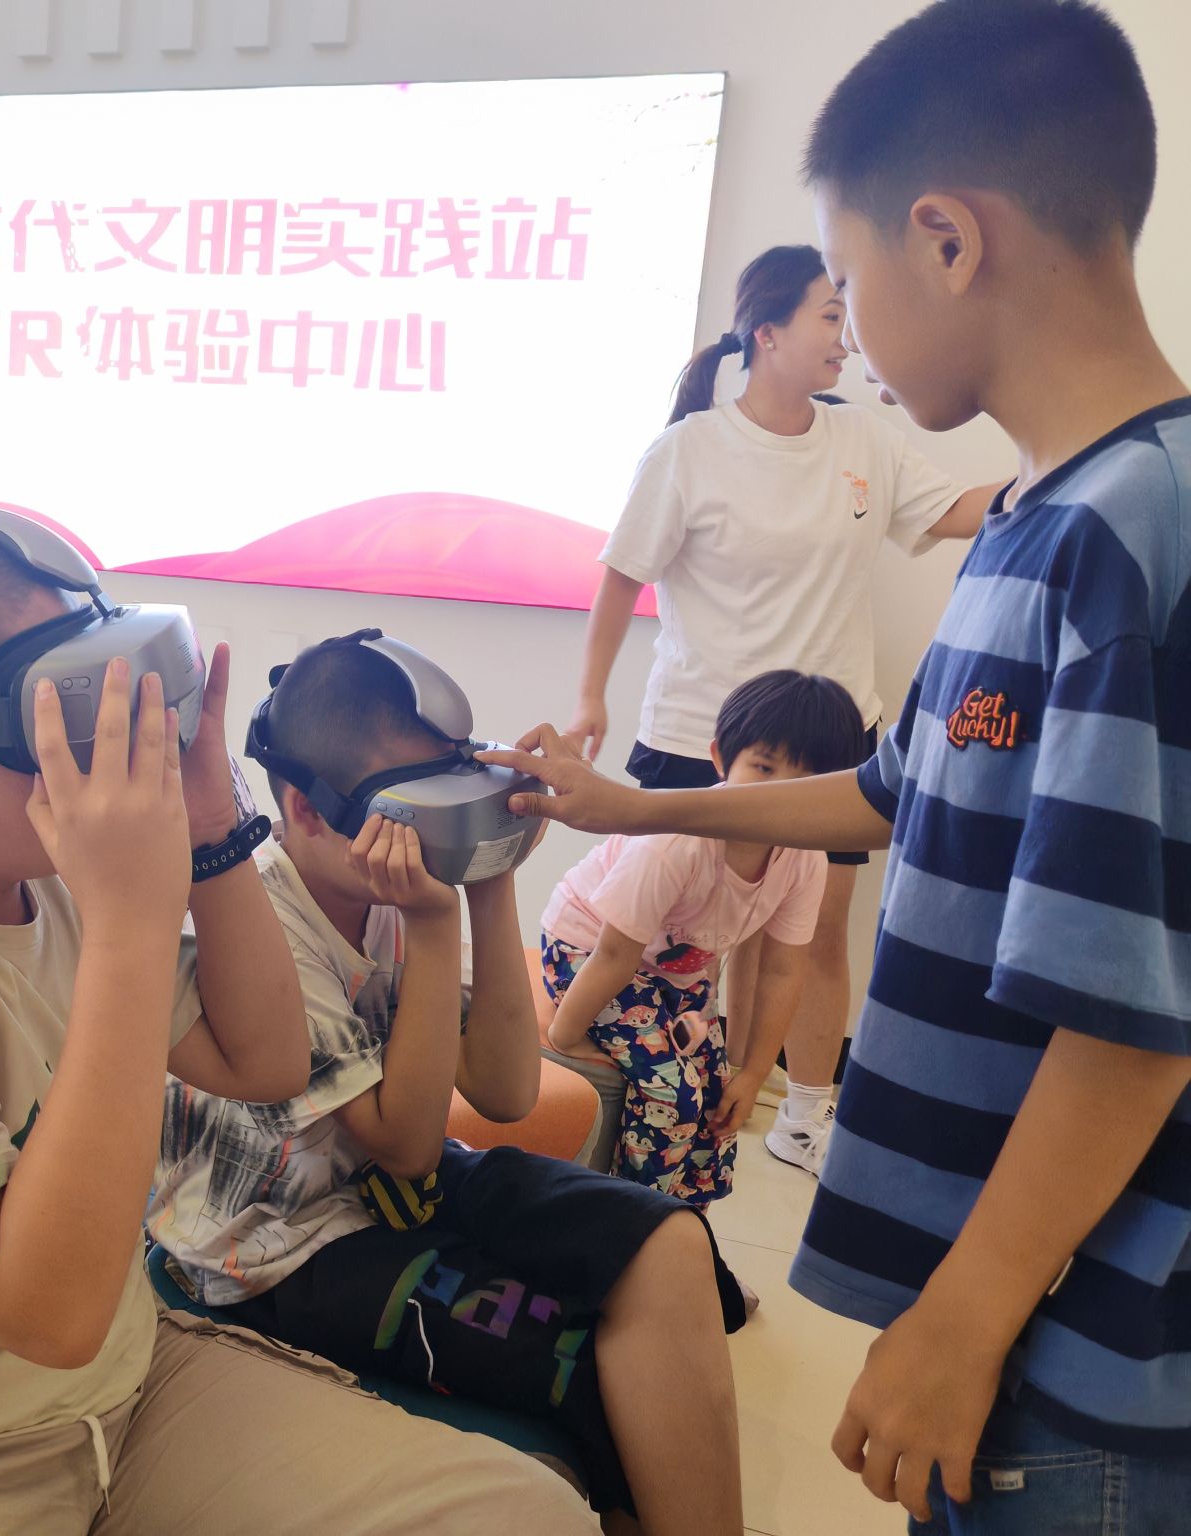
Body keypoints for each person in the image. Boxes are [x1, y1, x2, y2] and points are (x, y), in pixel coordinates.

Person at [492, 4, 1190, 1525]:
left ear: (946, 238)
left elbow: (1134, 1014)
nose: (849, 332)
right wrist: (632, 803)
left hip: (1084, 1347)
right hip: (1012, 1309)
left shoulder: (1138, 535)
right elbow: (891, 793)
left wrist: (966, 1320)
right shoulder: (1034, 518)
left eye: (846, 278)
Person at [0, 511, 597, 1534]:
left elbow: (264, 1062)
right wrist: (130, 922)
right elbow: (47, 1313)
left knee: (524, 1516)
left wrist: (210, 829)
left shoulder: (51, 886)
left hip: (118, 1398)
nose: (108, 751)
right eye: (55, 718)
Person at [150, 632, 745, 1536]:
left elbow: (505, 1092)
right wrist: (435, 924)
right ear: (308, 810)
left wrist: (489, 879)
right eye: (414, 808)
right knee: (586, 1364)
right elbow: (405, 1143)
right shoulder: (266, 926)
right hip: (274, 1248)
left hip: (390, 1189)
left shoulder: (388, 889)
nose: (438, 832)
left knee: (668, 1241)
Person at [566, 244, 1000, 1178]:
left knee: (810, 934)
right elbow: (621, 576)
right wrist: (591, 694)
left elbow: (954, 510)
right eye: (829, 316)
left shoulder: (864, 440)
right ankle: (631, 1103)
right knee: (675, 942)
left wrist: (1052, 469)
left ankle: (803, 1117)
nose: (847, 335)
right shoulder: (690, 449)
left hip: (832, 744)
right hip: (704, 739)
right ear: (767, 332)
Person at [540, 672, 864, 1206]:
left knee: (718, 1103)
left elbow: (783, 970)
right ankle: (634, 1223)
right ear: (720, 759)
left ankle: (686, 1229)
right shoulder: (676, 843)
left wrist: (751, 1074)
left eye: (806, 781)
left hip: (673, 971)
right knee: (674, 1098)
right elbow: (615, 953)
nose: (779, 794)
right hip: (586, 949)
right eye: (764, 768)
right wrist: (566, 1035)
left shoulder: (805, 859)